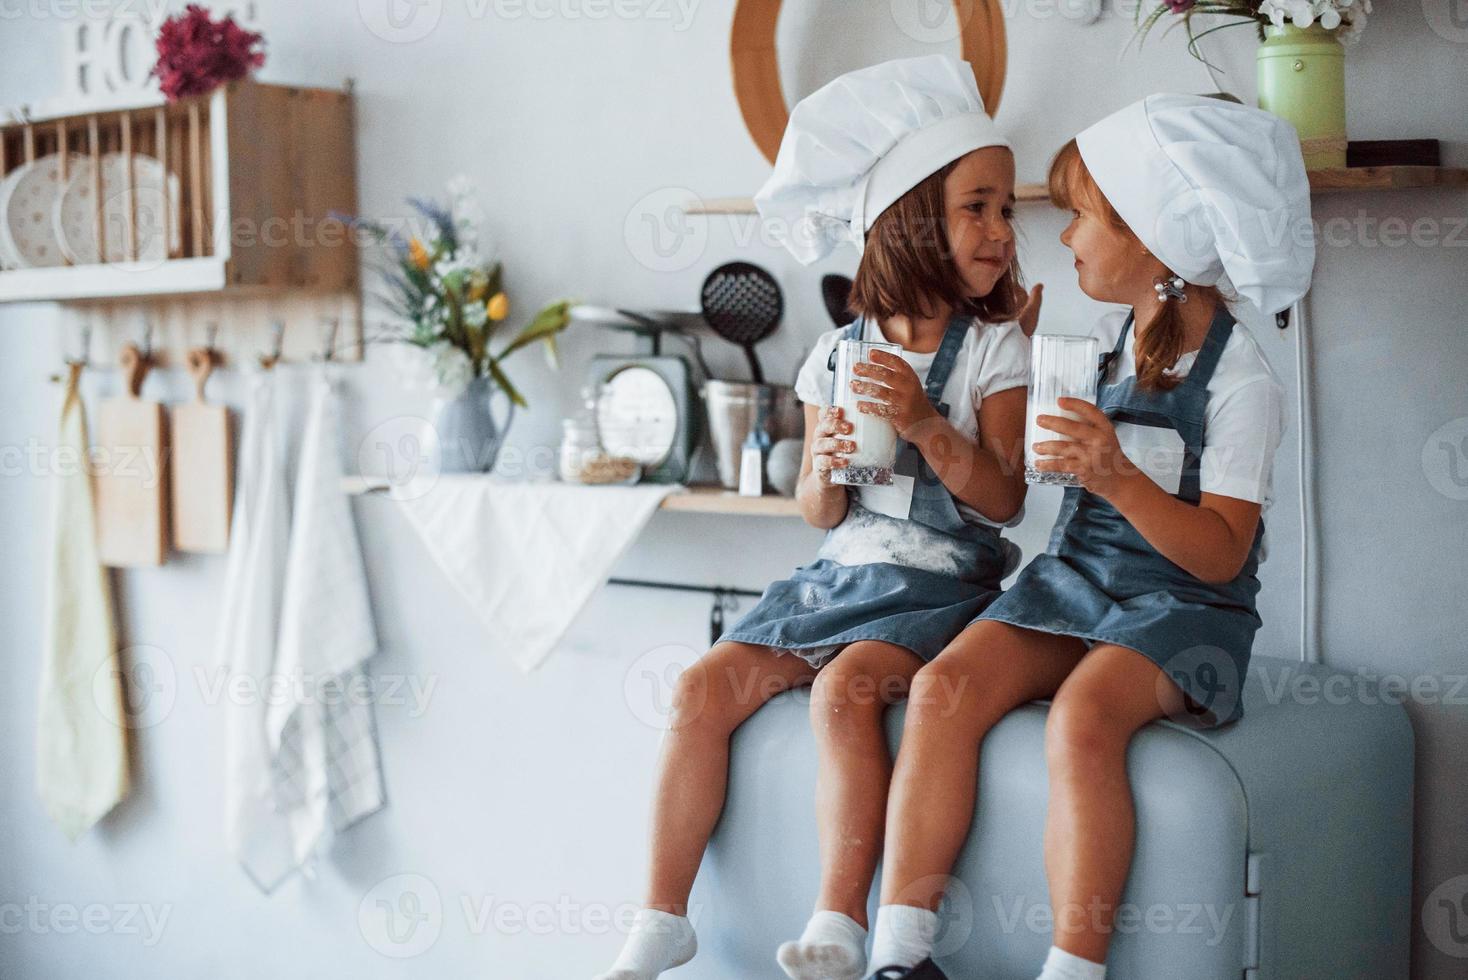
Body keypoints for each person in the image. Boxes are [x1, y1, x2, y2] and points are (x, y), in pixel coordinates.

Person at [593, 54, 1040, 980]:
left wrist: (924, 424)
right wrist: (826, 472)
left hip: (939, 585)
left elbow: (1007, 499)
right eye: (979, 207)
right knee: (700, 689)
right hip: (839, 574)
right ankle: (660, 919)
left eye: (1006, 210)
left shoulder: (994, 349)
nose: (1002, 228)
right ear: (911, 221)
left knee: (843, 697)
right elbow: (814, 510)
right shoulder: (836, 354)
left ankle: (839, 919)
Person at [862, 94, 1315, 980]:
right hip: (1075, 581)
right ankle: (899, 951)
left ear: (1153, 240)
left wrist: (1117, 478)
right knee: (942, 688)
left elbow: (1222, 553)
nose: (1063, 239)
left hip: (1183, 607)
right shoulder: (1104, 342)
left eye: (1080, 216)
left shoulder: (1242, 382)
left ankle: (1075, 965)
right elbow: (1034, 484)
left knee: (1082, 720)